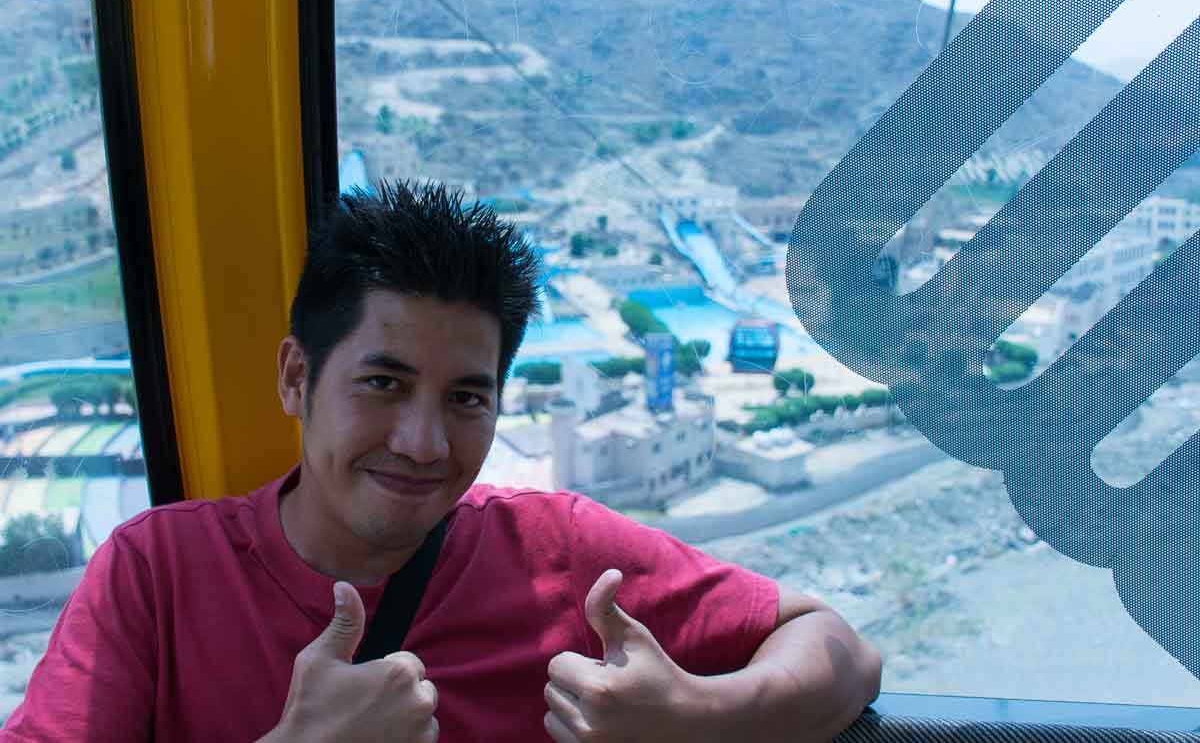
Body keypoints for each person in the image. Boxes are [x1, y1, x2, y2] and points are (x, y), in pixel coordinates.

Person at [2, 181, 881, 742]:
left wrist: (702, 716)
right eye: (383, 382)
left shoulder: (560, 556)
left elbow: (837, 646)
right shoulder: (157, 576)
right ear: (296, 377)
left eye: (466, 397)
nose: (423, 443)